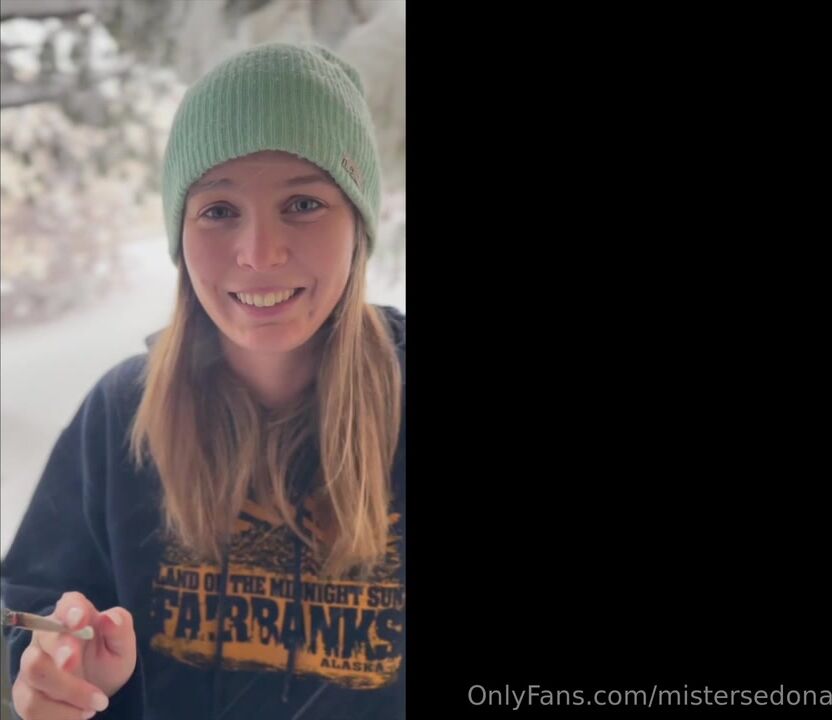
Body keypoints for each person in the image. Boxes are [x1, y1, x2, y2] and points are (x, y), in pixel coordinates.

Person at [1, 42, 405, 720]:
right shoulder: (121, 415)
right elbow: (27, 609)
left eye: (304, 202)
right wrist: (52, 671)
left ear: (358, 225)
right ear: (180, 234)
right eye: (218, 210)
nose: (260, 253)